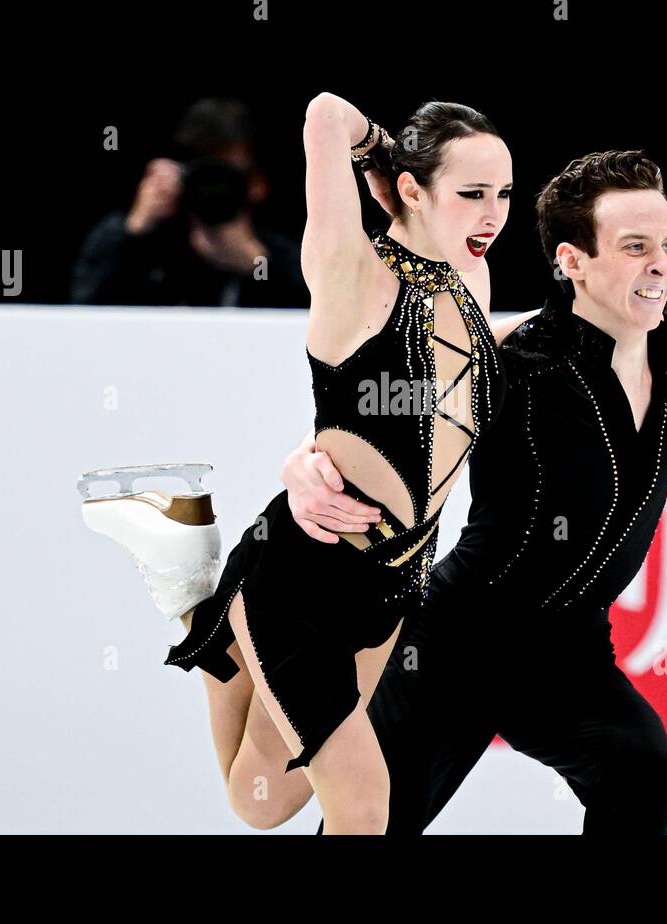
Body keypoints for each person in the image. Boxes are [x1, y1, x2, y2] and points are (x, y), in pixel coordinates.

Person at [274, 154, 667, 833]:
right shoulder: (515, 367)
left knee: (640, 774)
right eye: (635, 247)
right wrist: (305, 460)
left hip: (568, 652)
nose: (661, 265)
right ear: (573, 259)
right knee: (370, 826)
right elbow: (384, 414)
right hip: (459, 641)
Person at [157, 94, 514, 834]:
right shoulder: (351, 268)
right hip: (306, 573)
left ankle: (199, 601)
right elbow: (323, 113)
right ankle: (231, 610)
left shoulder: (470, 281)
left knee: (263, 801)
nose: (492, 215)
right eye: (472, 194)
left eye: (503, 194)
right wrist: (388, 152)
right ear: (412, 190)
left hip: (393, 588)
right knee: (364, 803)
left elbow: (455, 375)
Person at [71, 97, 310, 308]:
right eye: (205, 172)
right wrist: (135, 229)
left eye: (227, 174)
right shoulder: (143, 242)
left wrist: (257, 265)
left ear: (258, 183)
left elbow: (320, 330)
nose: (215, 186)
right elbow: (85, 313)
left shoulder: (284, 250)